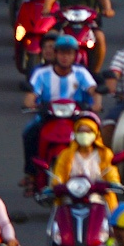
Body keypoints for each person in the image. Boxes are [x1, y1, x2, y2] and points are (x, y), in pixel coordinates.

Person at [22, 34, 98, 182]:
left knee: (95, 135)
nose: (65, 57)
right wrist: (30, 103)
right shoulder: (41, 73)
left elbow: (93, 90)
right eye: (62, 53)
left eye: (69, 53)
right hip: (48, 116)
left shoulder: (81, 72)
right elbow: (31, 94)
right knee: (29, 133)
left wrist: (96, 102)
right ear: (56, 54)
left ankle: (97, 170)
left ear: (75, 56)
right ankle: (31, 174)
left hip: (77, 117)